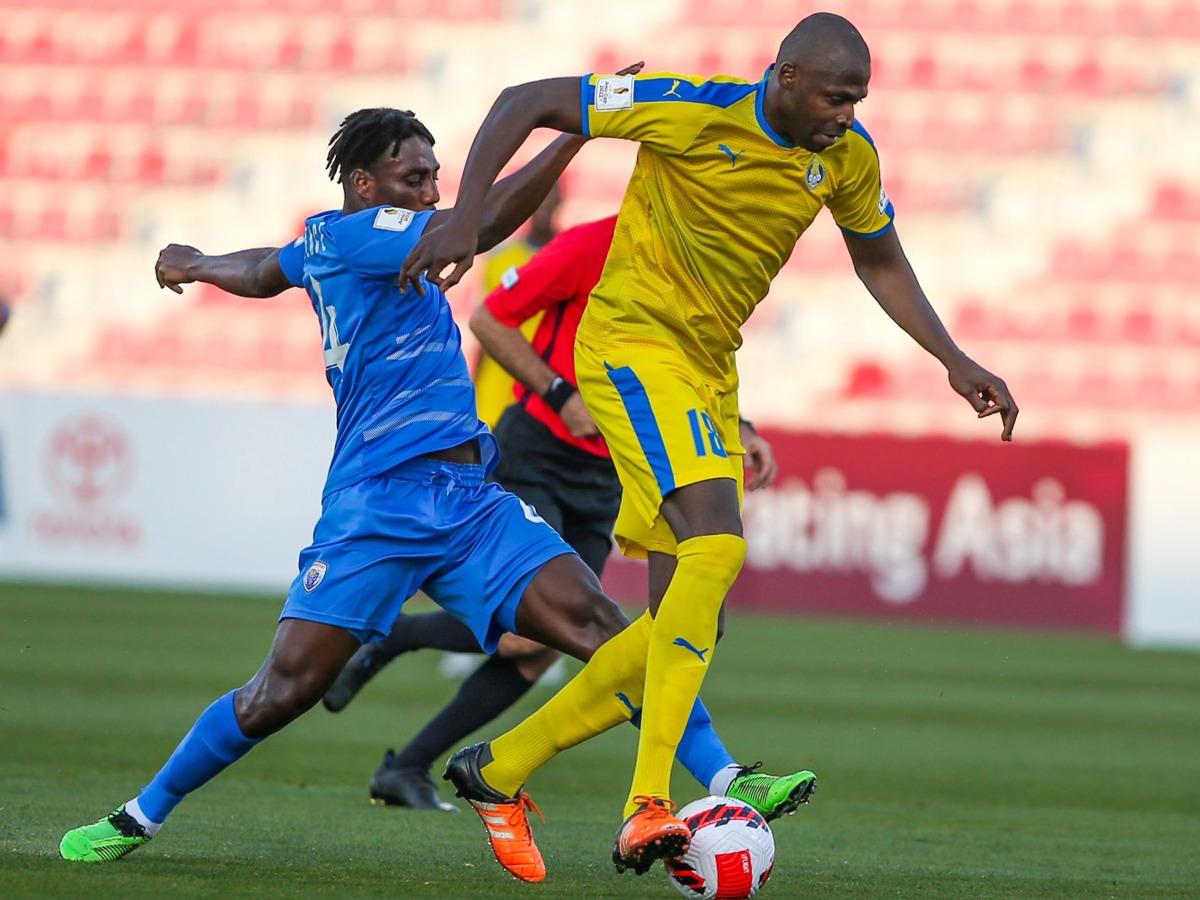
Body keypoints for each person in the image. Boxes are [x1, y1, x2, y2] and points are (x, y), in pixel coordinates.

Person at [56, 101, 810, 884]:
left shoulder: (325, 241)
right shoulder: (360, 234)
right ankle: (137, 814)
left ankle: (726, 778)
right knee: (280, 692)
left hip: (469, 499)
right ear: (362, 181)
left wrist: (197, 263)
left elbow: (263, 270)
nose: (427, 192)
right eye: (413, 178)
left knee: (599, 622)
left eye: (433, 179)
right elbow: (478, 228)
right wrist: (578, 128)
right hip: (377, 504)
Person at [398, 11, 1020, 877]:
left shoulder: (848, 158)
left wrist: (951, 357)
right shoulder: (689, 108)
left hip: (707, 367)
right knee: (717, 546)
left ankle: (496, 769)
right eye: (838, 98)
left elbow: (877, 257)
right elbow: (525, 100)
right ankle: (646, 803)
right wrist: (466, 218)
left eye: (860, 100)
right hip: (629, 345)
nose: (849, 115)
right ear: (787, 78)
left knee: (691, 615)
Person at [321, 215, 787, 817]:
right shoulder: (595, 244)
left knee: (539, 648)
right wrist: (560, 394)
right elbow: (490, 318)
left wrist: (739, 425)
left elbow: (697, 361)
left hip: (611, 471)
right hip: (538, 451)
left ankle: (407, 756)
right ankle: (398, 652)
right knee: (531, 634)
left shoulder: (695, 254)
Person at [471, 181, 561, 428]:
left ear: (560, 201)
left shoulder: (569, 258)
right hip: (497, 385)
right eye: (538, 197)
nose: (543, 204)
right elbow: (483, 326)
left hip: (547, 389)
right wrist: (475, 386)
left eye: (549, 196)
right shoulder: (501, 259)